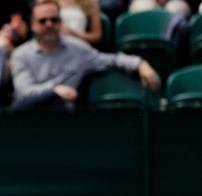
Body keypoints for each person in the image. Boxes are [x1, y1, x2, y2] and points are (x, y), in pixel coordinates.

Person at [10, 0, 160, 112]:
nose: (49, 25)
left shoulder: (77, 49)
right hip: (27, 117)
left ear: (60, 22)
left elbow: (111, 60)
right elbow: (24, 92)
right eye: (43, 21)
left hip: (62, 118)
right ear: (33, 25)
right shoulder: (21, 54)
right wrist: (54, 89)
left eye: (54, 20)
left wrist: (140, 64)